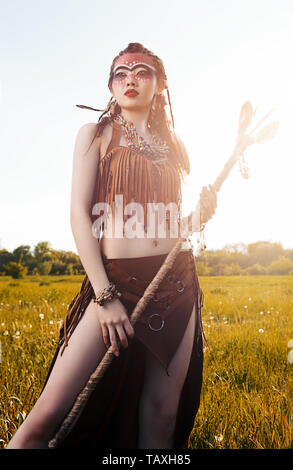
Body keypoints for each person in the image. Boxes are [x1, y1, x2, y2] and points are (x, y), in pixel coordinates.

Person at [6, 42, 217, 450]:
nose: (131, 78)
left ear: (160, 85)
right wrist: (104, 295)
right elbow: (78, 215)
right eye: (121, 73)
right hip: (115, 281)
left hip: (175, 281)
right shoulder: (96, 135)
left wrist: (199, 215)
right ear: (111, 85)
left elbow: (172, 220)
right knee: (48, 414)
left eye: (142, 71)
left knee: (161, 414)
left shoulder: (174, 145)